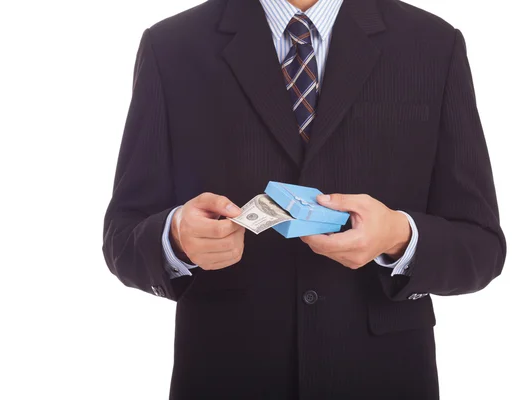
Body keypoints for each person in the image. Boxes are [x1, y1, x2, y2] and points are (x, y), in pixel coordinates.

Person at [102, 0, 506, 398]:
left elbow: (482, 246)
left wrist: (400, 238)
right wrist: (175, 239)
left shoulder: (433, 44)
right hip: (226, 375)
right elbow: (123, 237)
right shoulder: (172, 47)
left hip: (384, 376)